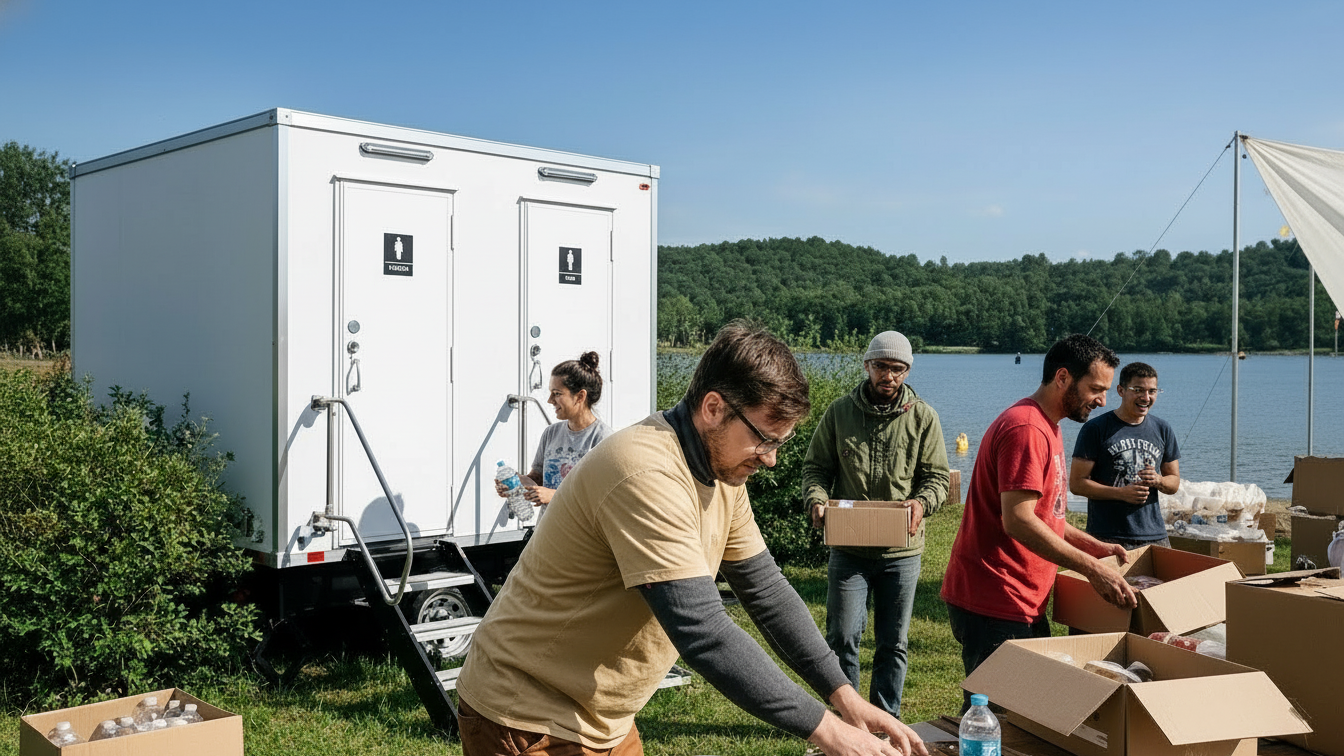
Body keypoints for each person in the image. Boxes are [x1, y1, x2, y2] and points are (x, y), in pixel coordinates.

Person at [458, 321, 928, 756]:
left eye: (780, 444)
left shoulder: (721, 473)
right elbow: (702, 629)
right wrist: (827, 730)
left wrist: (843, 694)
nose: (771, 460)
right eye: (765, 440)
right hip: (525, 714)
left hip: (601, 717)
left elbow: (765, 590)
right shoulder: (645, 471)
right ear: (713, 408)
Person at [940, 334, 1137, 712]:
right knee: (995, 720)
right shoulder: (1027, 429)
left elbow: (1047, 516)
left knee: (1026, 713)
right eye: (1096, 388)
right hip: (994, 599)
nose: (1103, 401)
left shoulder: (1049, 425)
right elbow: (1018, 521)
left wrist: (1092, 546)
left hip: (1020, 598)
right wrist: (1092, 569)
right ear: (1063, 377)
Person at [801, 330, 949, 719]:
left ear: (907, 371)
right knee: (843, 637)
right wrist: (816, 500)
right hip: (848, 550)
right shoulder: (839, 412)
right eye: (881, 367)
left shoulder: (923, 417)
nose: (889, 376)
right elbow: (816, 468)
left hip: (901, 552)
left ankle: (886, 719)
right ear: (867, 366)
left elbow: (936, 478)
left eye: (897, 369)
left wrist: (922, 502)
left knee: (893, 642)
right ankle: (848, 720)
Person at [1069, 362, 1180, 549]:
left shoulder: (1163, 429)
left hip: (1154, 535)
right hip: (1107, 535)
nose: (1146, 397)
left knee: (1168, 580)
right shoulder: (1096, 429)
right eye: (1138, 390)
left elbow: (1174, 482)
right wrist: (1121, 494)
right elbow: (1077, 484)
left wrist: (1158, 480)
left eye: (1152, 391)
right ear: (1121, 390)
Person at [496, 352, 613, 513]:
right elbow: (538, 479)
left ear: (580, 396)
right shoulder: (551, 433)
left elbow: (602, 498)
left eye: (557, 394)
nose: (550, 400)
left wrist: (553, 496)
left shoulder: (603, 439)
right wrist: (518, 481)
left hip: (581, 535)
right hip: (547, 529)